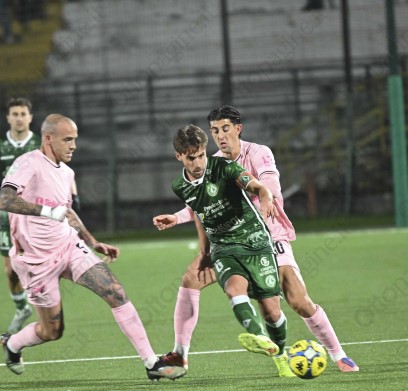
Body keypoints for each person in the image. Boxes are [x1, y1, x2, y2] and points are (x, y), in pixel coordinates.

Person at [153, 105, 359, 375]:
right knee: (191, 278)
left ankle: (338, 353)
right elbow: (202, 204)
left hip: (269, 235)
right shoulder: (209, 163)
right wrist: (177, 217)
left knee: (296, 300)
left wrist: (262, 196)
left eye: (225, 128)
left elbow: (269, 185)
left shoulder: (258, 153)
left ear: (238, 128)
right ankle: (180, 354)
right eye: (215, 130)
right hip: (229, 241)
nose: (220, 135)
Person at [0, 114, 184, 381]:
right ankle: (13, 344)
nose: (73, 146)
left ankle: (152, 362)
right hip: (35, 261)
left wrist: (92, 241)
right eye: (67, 140)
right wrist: (47, 211)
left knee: (115, 291)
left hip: (68, 246)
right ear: (48, 138)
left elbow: (67, 211)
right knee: (52, 331)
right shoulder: (27, 163)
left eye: (75, 139)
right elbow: (4, 200)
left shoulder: (67, 172)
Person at [154, 124, 290, 370]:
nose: (198, 163)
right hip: (223, 246)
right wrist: (204, 252)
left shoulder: (225, 167)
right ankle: (259, 337)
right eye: (191, 158)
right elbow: (200, 213)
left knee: (272, 312)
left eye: (201, 156)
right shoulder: (180, 185)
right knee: (234, 289)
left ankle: (280, 351)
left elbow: (256, 186)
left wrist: (265, 196)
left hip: (255, 240)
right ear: (179, 156)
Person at [0, 97, 80, 334]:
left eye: (23, 114)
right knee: (11, 271)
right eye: (15, 114)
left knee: (49, 262)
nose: (19, 118)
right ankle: (22, 308)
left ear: (30, 117)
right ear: (8, 118)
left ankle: (49, 309)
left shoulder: (40, 144)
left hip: (40, 217)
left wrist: (74, 194)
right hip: (10, 216)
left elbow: (61, 169)